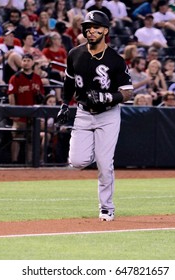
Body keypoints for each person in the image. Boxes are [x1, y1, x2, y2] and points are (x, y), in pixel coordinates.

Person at [56, 10, 133, 221]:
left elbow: (128, 92)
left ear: (105, 31)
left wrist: (107, 97)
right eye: (87, 28)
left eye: (95, 28)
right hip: (83, 112)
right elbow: (69, 82)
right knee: (77, 161)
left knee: (105, 164)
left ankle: (107, 207)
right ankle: (94, 154)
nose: (91, 31)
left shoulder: (115, 59)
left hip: (108, 115)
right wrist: (64, 104)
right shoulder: (75, 54)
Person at [7, 53, 45, 164]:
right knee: (16, 137)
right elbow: (11, 95)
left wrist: (40, 97)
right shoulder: (16, 77)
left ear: (32, 63)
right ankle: (14, 161)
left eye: (28, 60)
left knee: (32, 138)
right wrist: (14, 112)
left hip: (33, 113)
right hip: (20, 113)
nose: (26, 62)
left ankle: (29, 162)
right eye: (24, 60)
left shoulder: (37, 78)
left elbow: (42, 96)